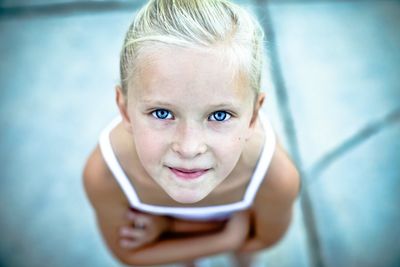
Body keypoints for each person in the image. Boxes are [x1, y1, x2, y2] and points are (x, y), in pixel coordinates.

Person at [83, 0, 300, 266]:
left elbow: (264, 239)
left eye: (219, 115)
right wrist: (229, 237)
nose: (188, 147)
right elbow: (128, 254)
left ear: (253, 116)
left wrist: (168, 230)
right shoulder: (106, 175)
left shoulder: (273, 177)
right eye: (162, 113)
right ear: (125, 110)